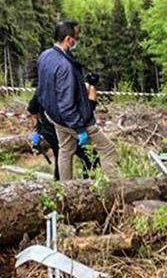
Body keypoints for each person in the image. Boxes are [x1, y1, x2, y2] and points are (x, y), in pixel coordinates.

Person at [35, 21, 118, 180]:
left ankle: (66, 192)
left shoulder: (46, 56)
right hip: (71, 119)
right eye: (75, 37)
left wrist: (83, 85)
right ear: (68, 39)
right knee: (108, 149)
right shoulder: (65, 66)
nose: (76, 41)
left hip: (54, 116)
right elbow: (66, 104)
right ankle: (112, 189)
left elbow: (49, 87)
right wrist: (80, 129)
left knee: (65, 150)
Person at [25, 61, 95, 180]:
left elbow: (32, 109)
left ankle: (60, 186)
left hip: (50, 132)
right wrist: (92, 92)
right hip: (65, 129)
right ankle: (88, 186)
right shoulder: (66, 88)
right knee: (90, 156)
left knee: (61, 157)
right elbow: (86, 110)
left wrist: (37, 127)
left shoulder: (43, 88)